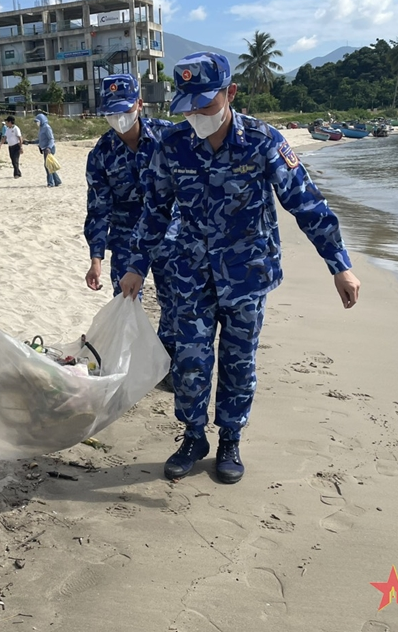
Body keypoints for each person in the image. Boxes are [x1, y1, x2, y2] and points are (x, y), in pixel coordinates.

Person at [120, 52, 361, 485]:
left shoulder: (263, 141)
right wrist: (136, 264)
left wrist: (339, 266)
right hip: (189, 272)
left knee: (238, 360)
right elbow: (154, 212)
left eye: (206, 105)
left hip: (246, 273)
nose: (196, 115)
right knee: (190, 360)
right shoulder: (172, 146)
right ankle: (194, 436)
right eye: (188, 106)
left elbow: (305, 203)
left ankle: (230, 437)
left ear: (231, 93)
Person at [84, 74, 177, 388]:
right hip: (125, 237)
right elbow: (98, 209)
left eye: (124, 110)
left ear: (140, 104)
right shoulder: (101, 154)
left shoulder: (169, 137)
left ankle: (166, 364)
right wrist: (96, 258)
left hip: (168, 233)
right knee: (125, 303)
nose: (119, 119)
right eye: (111, 113)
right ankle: (130, 370)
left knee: (175, 301)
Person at [34, 113, 61, 187]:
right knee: (50, 165)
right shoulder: (41, 128)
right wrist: (30, 142)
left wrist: (48, 148)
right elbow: (40, 139)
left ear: (42, 120)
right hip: (44, 149)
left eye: (37, 121)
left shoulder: (47, 127)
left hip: (49, 149)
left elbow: (51, 139)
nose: (37, 123)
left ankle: (50, 183)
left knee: (47, 166)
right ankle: (57, 181)